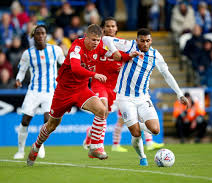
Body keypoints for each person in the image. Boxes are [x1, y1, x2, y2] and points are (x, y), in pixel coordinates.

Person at [26, 24, 137, 166]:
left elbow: (115, 56)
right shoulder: (76, 46)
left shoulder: (100, 48)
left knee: (102, 110)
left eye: (98, 40)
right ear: (86, 36)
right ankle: (36, 145)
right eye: (92, 40)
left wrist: (129, 56)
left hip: (81, 89)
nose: (95, 43)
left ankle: (95, 147)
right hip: (64, 91)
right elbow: (76, 68)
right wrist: (94, 74)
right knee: (52, 124)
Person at [102, 28, 190, 166]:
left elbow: (167, 75)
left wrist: (179, 93)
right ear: (137, 40)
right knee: (136, 134)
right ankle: (142, 157)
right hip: (124, 98)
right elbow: (106, 39)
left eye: (147, 41)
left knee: (155, 130)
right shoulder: (129, 45)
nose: (145, 44)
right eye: (142, 41)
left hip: (143, 98)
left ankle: (135, 123)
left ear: (151, 41)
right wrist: (115, 52)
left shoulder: (156, 55)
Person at [83, 17, 164, 153]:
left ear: (116, 28)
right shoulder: (97, 43)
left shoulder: (123, 44)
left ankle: (91, 134)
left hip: (118, 87)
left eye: (113, 26)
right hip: (100, 83)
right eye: (107, 26)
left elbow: (128, 60)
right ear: (103, 29)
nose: (110, 28)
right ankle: (98, 147)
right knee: (102, 111)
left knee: (122, 115)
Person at [13, 25, 65, 159]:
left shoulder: (56, 50)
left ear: (46, 35)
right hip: (34, 91)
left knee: (48, 120)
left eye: (43, 33)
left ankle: (39, 145)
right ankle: (20, 150)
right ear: (33, 36)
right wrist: (19, 79)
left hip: (51, 91)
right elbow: (22, 70)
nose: (41, 36)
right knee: (25, 120)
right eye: (38, 34)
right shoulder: (27, 53)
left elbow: (65, 66)